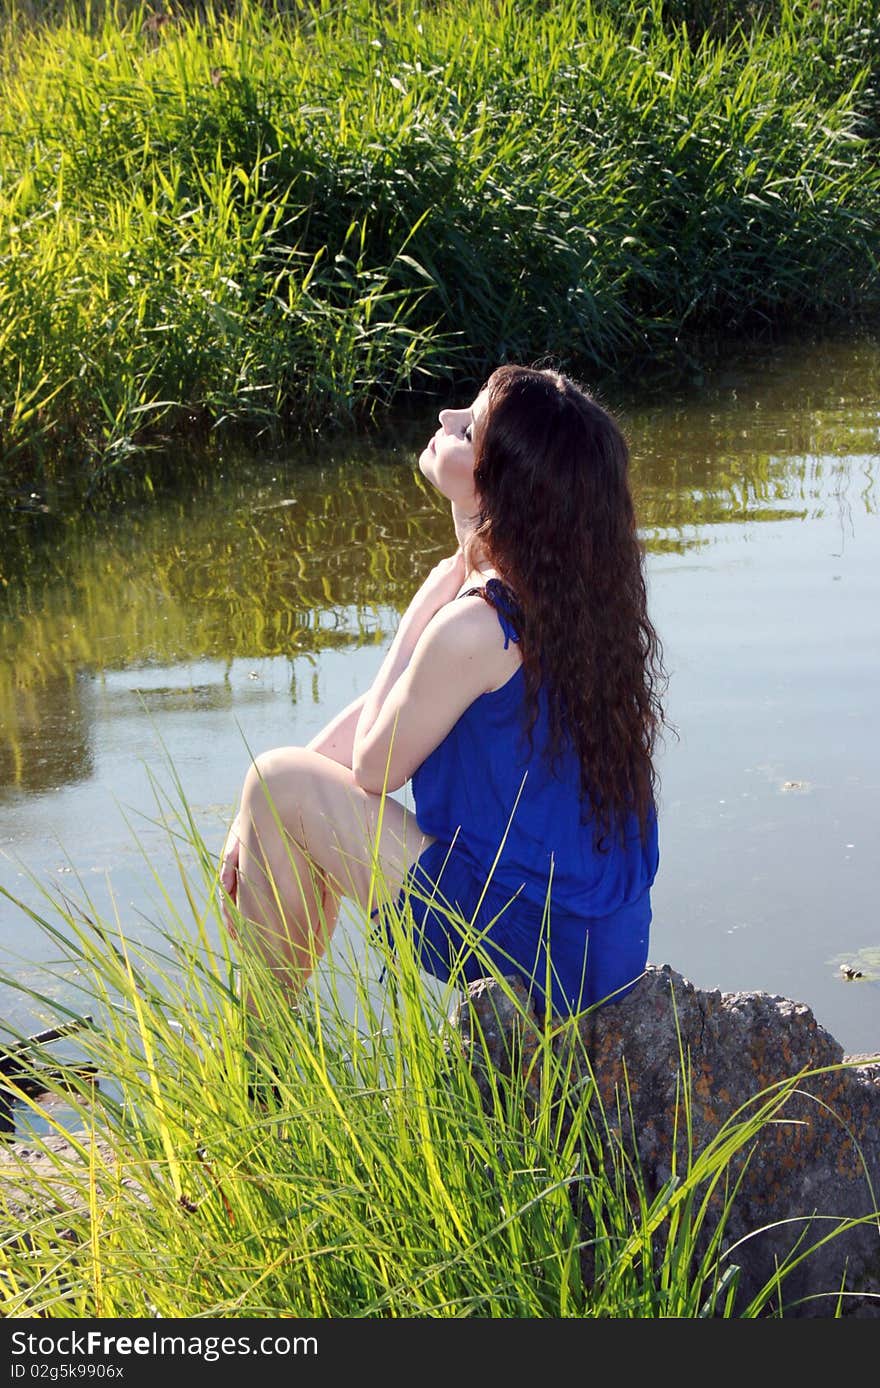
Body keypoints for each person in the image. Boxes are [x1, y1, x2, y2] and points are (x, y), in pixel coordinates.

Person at [219, 364, 666, 1018]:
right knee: (278, 793)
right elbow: (408, 709)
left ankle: (263, 1065)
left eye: (470, 427)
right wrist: (255, 820)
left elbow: (375, 765)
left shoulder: (475, 626)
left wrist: (420, 610)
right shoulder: (563, 590)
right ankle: (269, 1054)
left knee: (278, 780)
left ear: (496, 485)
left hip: (535, 953)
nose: (445, 419)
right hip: (596, 945)